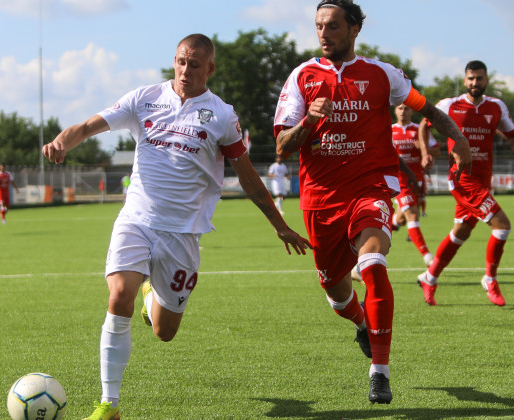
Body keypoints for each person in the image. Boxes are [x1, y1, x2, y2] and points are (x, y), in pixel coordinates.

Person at [43, 34, 311, 420]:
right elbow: (87, 126)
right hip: (136, 218)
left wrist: (279, 224)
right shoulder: (144, 98)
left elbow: (249, 176)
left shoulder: (221, 115)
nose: (186, 70)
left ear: (210, 68)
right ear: (174, 60)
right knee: (118, 297)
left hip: (182, 233)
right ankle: (109, 405)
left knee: (165, 332)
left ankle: (154, 300)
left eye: (195, 64)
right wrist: (62, 141)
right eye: (181, 62)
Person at [274, 0, 471, 404]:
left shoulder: (383, 74)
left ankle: (379, 372)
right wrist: (310, 120)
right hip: (321, 198)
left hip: (370, 188)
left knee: (374, 265)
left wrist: (459, 139)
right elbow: (281, 146)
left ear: (354, 29)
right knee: (336, 292)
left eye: (332, 26)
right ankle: (361, 322)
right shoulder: (302, 76)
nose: (324, 33)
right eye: (318, 26)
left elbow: (427, 108)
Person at [417, 60, 514, 307]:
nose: (474, 83)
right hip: (462, 180)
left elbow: (513, 136)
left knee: (460, 233)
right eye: (470, 78)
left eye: (479, 78)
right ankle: (490, 279)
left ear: (486, 80)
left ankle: (430, 277)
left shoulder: (496, 107)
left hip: (482, 181)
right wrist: (426, 151)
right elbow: (424, 125)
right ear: (465, 80)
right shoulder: (449, 105)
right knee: (502, 226)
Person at [390, 104, 440, 267]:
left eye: (406, 108)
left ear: (411, 111)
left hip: (417, 181)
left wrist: (424, 149)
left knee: (402, 219)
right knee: (412, 215)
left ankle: (378, 229)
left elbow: (437, 151)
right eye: (400, 108)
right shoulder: (389, 130)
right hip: (399, 181)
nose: (403, 111)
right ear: (395, 111)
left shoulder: (419, 130)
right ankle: (428, 257)